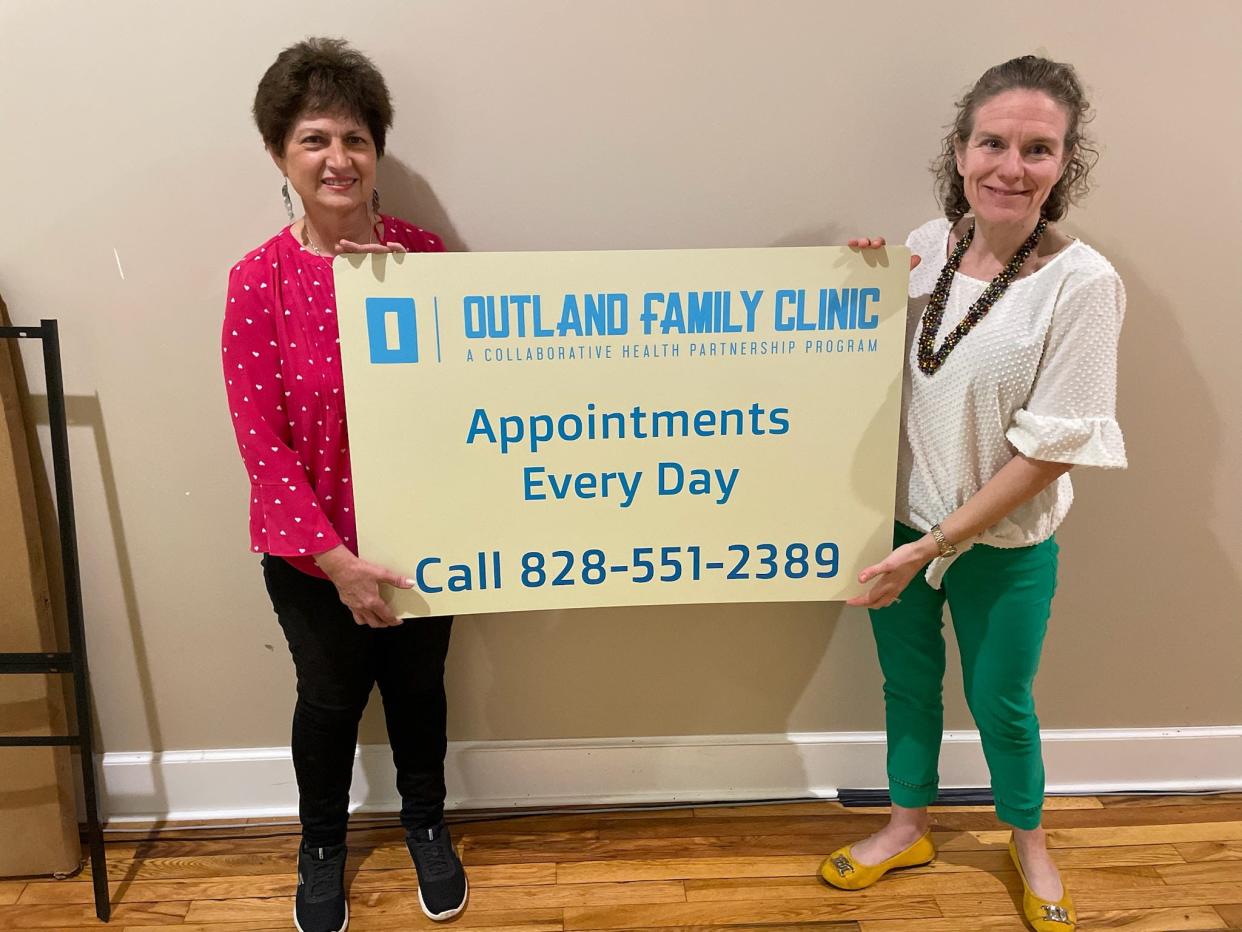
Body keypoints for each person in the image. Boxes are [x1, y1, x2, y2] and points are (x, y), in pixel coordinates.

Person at [819, 56, 1126, 932]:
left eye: (1037, 148)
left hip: (1001, 544)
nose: (1010, 166)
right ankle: (907, 824)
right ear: (960, 152)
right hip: (899, 524)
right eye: (993, 142)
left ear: (1063, 165)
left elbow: (1052, 451)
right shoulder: (924, 247)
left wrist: (938, 542)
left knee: (1003, 700)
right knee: (906, 686)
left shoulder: (1084, 286)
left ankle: (1028, 840)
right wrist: (848, 290)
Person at [222, 38, 467, 932]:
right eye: (314, 139)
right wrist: (338, 561)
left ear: (377, 151)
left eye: (356, 138)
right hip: (310, 555)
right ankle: (321, 843)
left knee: (419, 693)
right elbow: (263, 443)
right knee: (328, 701)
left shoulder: (423, 259)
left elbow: (468, 401)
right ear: (280, 155)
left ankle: (427, 824)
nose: (338, 159)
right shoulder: (258, 282)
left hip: (422, 544)